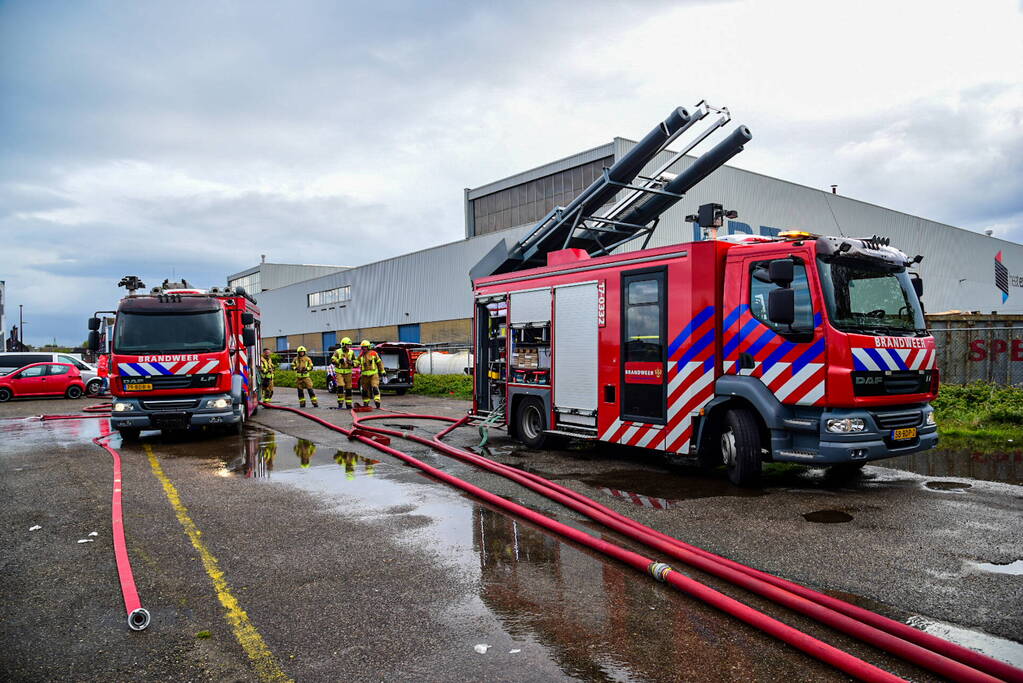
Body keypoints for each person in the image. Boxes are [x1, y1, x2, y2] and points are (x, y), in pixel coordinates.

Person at [330, 337, 356, 410]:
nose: (349, 346)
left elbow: (356, 361)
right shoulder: (337, 351)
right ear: (343, 345)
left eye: (349, 345)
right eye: (347, 345)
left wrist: (352, 363)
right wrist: (339, 361)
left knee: (349, 388)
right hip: (339, 372)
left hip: (348, 372)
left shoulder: (351, 352)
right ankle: (340, 403)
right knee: (341, 386)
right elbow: (332, 360)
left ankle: (348, 404)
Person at [358, 340, 385, 408]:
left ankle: (377, 401)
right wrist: (352, 363)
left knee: (375, 387)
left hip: (374, 375)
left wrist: (383, 371)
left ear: (368, 347)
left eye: (365, 347)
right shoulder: (361, 355)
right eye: (363, 347)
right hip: (364, 376)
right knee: (364, 390)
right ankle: (366, 402)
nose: (364, 349)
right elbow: (356, 363)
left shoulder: (374, 353)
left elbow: (379, 363)